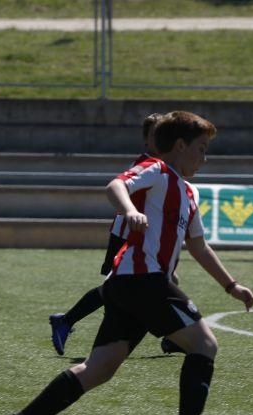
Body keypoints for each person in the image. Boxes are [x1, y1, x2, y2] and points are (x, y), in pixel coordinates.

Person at [0, 111, 253, 415]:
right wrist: (130, 211)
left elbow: (198, 246)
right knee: (205, 345)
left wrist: (231, 285)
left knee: (98, 369)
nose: (204, 157)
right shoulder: (158, 171)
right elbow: (116, 185)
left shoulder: (189, 192)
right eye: (201, 148)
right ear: (179, 146)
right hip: (142, 280)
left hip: (132, 286)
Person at [49, 112, 185, 356]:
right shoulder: (148, 165)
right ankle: (172, 335)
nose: (162, 138)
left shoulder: (163, 168)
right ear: (147, 141)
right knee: (121, 289)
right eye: (156, 135)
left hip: (143, 237)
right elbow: (120, 189)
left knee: (153, 284)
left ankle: (171, 336)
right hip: (129, 235)